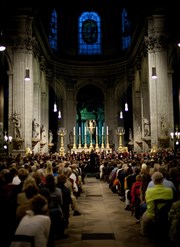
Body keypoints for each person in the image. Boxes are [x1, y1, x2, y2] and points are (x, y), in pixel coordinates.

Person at [140, 171, 173, 237]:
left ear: (153, 181)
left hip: (152, 214)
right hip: (166, 214)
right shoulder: (169, 190)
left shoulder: (149, 191)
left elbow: (147, 201)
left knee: (144, 217)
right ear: (162, 180)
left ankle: (144, 232)